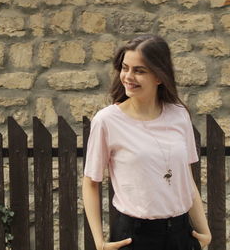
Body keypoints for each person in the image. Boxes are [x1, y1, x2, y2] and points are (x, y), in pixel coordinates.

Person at [82, 35, 211, 250]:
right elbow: (90, 182)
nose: (128, 77)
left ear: (159, 76)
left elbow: (186, 179)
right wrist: (99, 242)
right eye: (125, 68)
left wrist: (204, 229)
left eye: (139, 71)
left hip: (181, 234)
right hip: (135, 237)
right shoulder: (106, 121)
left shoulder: (179, 115)